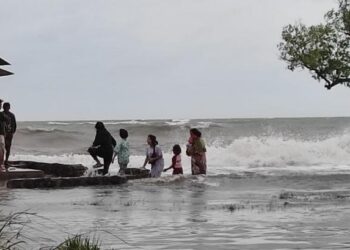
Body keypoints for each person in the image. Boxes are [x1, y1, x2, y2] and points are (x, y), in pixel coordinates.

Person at [0, 99, 6, 171]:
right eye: (0, 104)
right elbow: (7, 119)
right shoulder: (1, 114)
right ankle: (1, 165)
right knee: (1, 149)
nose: (1, 105)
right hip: (0, 134)